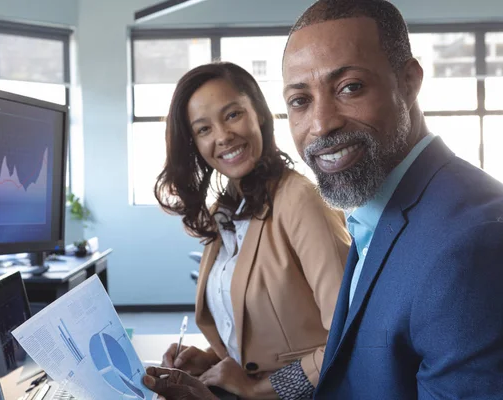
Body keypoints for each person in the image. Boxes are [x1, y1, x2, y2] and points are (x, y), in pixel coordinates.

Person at [144, 0, 503, 399]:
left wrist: (255, 389)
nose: (321, 123)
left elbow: (336, 343)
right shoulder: (373, 211)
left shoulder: (470, 242)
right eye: (300, 100)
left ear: (409, 80)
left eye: (350, 87)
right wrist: (217, 362)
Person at [153, 61, 350, 398]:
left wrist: (257, 388)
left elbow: (347, 334)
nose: (223, 136)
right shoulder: (224, 211)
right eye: (203, 129)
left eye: (232, 115)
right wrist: (212, 358)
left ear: (258, 113)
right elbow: (258, 327)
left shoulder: (300, 198)